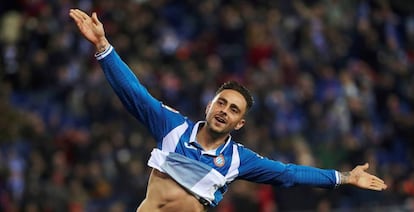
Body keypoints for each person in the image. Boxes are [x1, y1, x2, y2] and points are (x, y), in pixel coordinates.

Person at [69, 9, 387, 212]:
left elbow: (289, 175)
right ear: (209, 106)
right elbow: (134, 94)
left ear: (239, 123)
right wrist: (102, 46)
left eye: (233, 109)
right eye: (221, 102)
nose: (224, 110)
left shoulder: (238, 159)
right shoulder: (173, 127)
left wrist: (345, 177)